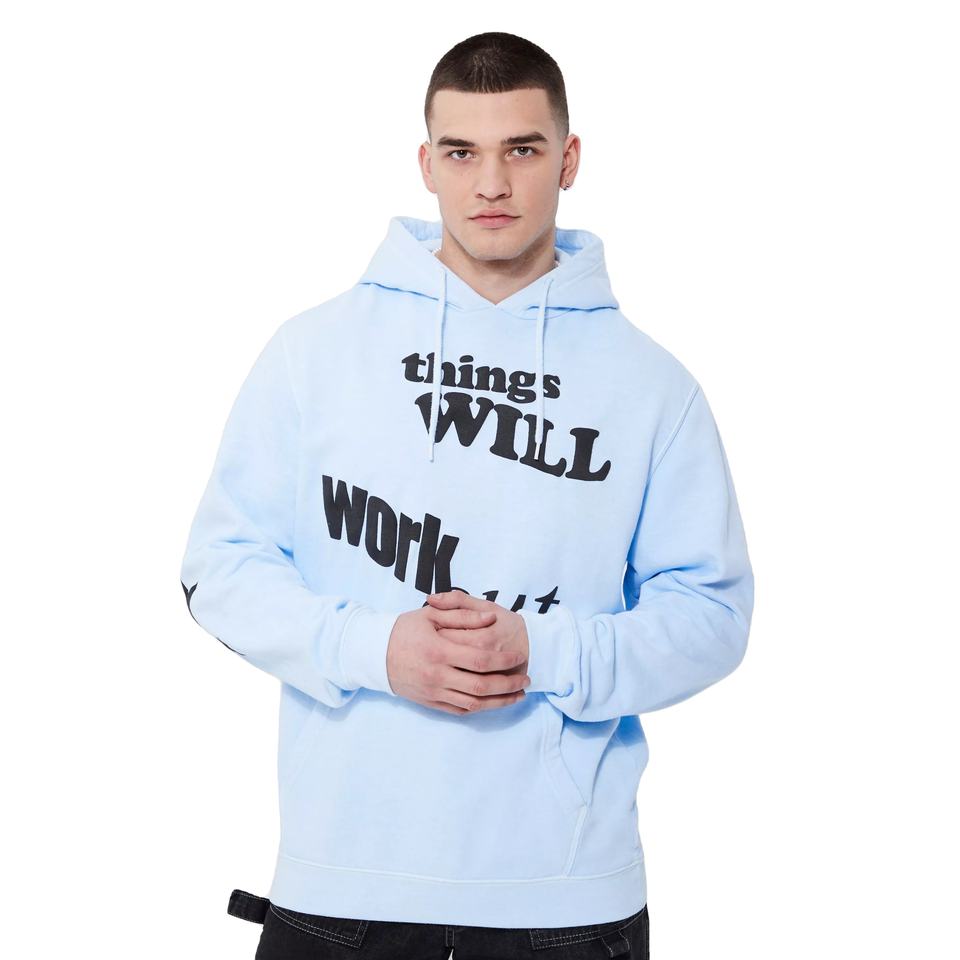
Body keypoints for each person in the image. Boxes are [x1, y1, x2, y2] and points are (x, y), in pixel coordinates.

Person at [180, 31, 754, 959]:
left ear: (568, 159)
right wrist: (375, 648)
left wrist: (541, 651)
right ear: (426, 165)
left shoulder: (653, 388)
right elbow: (219, 569)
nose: (491, 183)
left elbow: (713, 617)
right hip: (342, 884)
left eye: (521, 149)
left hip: (564, 902)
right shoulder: (312, 354)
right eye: (461, 152)